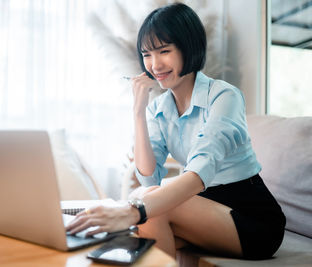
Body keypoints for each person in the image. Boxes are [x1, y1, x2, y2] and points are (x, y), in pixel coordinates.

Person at [66, 3, 285, 260]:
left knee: (147, 204)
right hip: (204, 210)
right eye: (146, 54)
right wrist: (139, 112)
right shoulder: (160, 108)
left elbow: (199, 173)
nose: (155, 64)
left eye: (164, 51)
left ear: (188, 47)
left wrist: (132, 211)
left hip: (252, 219)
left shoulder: (224, 96)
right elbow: (149, 176)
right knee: (145, 204)